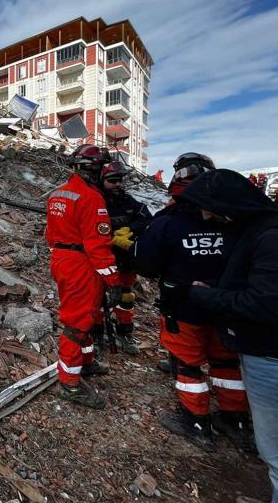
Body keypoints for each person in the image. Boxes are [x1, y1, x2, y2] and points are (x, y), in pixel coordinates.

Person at [118, 155, 251, 453]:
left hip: (184, 305)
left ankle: (196, 421)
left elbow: (147, 264)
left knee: (188, 364)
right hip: (226, 305)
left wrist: (132, 246)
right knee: (226, 362)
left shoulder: (168, 222)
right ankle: (235, 419)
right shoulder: (237, 222)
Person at [177, 169, 278, 502]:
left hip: (269, 354)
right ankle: (231, 420)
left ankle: (199, 421)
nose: (205, 217)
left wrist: (206, 295)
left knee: (276, 456)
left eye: (208, 208)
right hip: (257, 349)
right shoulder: (256, 230)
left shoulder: (269, 236)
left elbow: (265, 304)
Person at [45, 144, 121, 410]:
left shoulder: (57, 194)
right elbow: (98, 246)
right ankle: (69, 383)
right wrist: (113, 281)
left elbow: (50, 235)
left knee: (87, 316)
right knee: (77, 322)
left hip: (62, 260)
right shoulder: (91, 198)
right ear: (93, 170)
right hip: (81, 264)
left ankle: (86, 363)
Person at [95, 161, 152, 356]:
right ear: (102, 181)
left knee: (126, 297)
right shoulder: (96, 200)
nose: (117, 184)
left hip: (126, 259)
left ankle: (125, 332)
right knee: (97, 297)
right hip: (102, 258)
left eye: (120, 180)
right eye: (112, 180)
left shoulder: (128, 201)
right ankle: (97, 334)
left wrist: (130, 230)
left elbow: (146, 216)